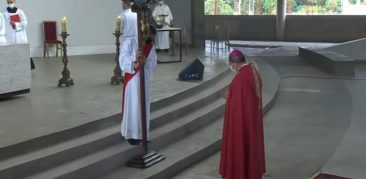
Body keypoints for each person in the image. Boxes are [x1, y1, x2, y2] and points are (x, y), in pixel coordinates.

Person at [219, 49, 266, 179]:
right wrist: (232, 94)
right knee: (251, 145)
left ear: (235, 64)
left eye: (231, 64)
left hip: (243, 122)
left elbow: (237, 105)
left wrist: (229, 96)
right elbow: (246, 97)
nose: (232, 67)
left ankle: (239, 173)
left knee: (240, 143)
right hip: (252, 120)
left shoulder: (240, 79)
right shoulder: (253, 71)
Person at [119, 0, 158, 146]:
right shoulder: (130, 42)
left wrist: (146, 62)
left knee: (143, 106)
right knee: (134, 106)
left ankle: (143, 133)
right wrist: (135, 59)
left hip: (144, 81)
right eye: (147, 34)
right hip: (133, 81)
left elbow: (153, 62)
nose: (148, 37)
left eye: (150, 36)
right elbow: (122, 60)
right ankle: (131, 134)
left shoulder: (150, 46)